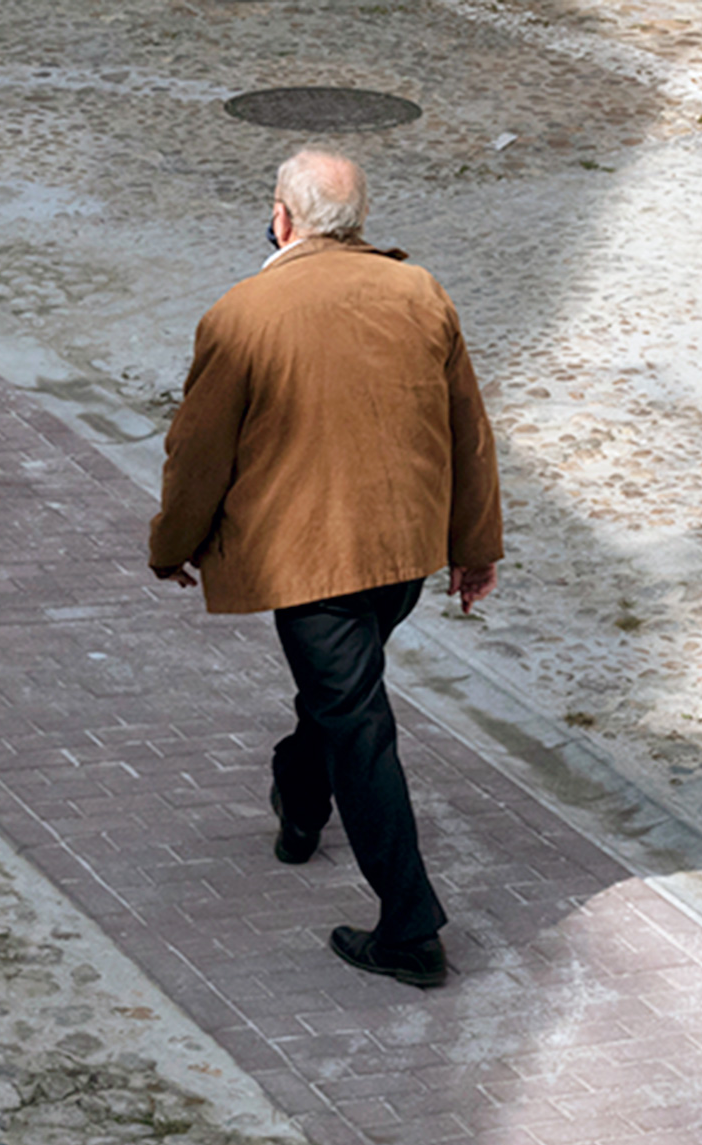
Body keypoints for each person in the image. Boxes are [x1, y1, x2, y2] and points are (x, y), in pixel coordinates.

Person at [148, 149, 502, 989]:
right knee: (343, 703)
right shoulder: (419, 293)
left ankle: (410, 930)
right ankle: (298, 803)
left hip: (310, 560)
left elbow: (197, 454)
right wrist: (473, 543)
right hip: (401, 557)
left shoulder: (242, 313)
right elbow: (469, 428)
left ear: (281, 217)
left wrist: (171, 546)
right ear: (360, 220)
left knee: (358, 723)